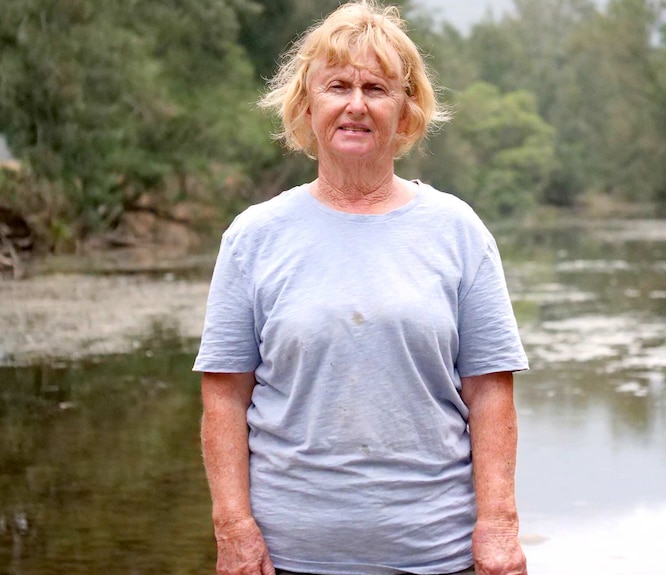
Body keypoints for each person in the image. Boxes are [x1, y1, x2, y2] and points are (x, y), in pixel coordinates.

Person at [193, 2, 529, 574]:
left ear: (406, 109)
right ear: (306, 105)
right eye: (337, 86)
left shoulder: (458, 231)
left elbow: (489, 392)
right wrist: (233, 530)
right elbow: (225, 395)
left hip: (436, 556)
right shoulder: (254, 236)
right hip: (288, 558)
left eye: (376, 87)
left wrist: (498, 527)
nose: (356, 104)